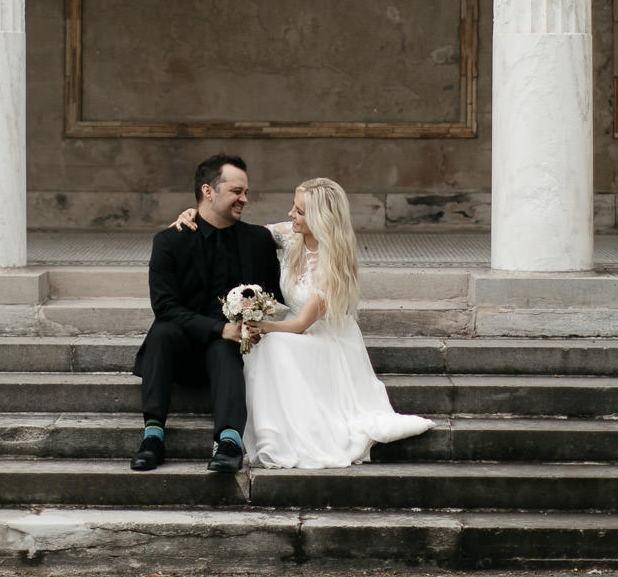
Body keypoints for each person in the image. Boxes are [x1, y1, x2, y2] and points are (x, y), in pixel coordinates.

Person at [170, 176, 432, 468]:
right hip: (295, 327)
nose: (290, 215)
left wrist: (261, 325)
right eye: (293, 207)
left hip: (325, 341)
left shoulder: (333, 263)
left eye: (299, 211)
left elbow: (301, 325)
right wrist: (199, 214)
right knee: (265, 343)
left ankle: (275, 434)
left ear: (321, 219)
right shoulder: (292, 234)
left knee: (272, 343)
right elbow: (244, 233)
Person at [129, 152, 285, 475]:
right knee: (162, 329)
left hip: (231, 352)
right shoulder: (170, 241)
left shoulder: (259, 241)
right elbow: (165, 306)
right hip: (180, 350)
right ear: (207, 191)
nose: (244, 198)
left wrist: (255, 323)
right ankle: (153, 435)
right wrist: (217, 328)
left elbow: (276, 299)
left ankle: (229, 441)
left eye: (246, 192)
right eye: (236, 191)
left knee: (227, 342)